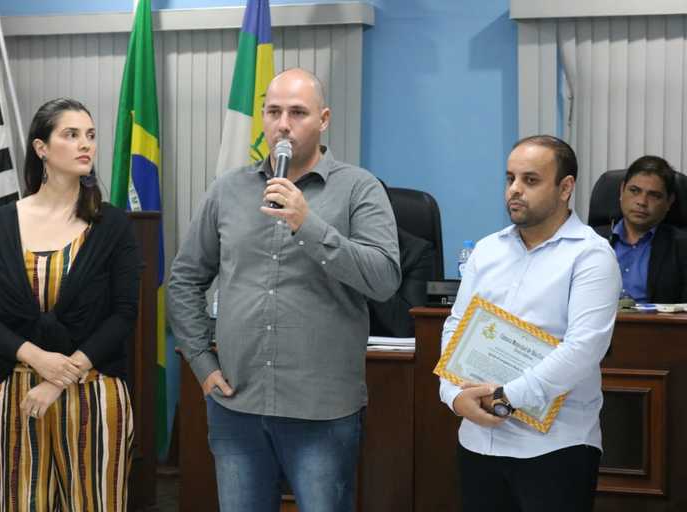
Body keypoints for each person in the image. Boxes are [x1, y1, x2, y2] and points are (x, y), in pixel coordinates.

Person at [168, 68, 400, 512]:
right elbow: (184, 278)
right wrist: (201, 361)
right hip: (237, 404)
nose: (283, 125)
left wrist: (306, 223)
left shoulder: (359, 188)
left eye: (297, 113)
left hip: (322, 411)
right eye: (273, 112)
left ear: (324, 119)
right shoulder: (228, 189)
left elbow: (384, 279)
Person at [0, 98, 142, 511]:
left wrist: (59, 376)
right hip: (20, 395)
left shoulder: (112, 224)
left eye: (90, 135)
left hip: (93, 391)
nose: (86, 144)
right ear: (41, 148)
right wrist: (37, 359)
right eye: (71, 134)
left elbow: (123, 316)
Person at [439, 135, 621, 512]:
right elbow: (456, 326)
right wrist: (453, 395)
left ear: (565, 188)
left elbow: (584, 349)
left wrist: (506, 399)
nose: (515, 190)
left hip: (556, 447)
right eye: (510, 179)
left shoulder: (591, 255)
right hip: (479, 441)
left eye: (530, 180)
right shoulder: (487, 250)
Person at [594, 155, 687, 303]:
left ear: (669, 201)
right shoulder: (590, 241)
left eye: (654, 195)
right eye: (634, 190)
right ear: (622, 190)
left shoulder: (682, 248)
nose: (642, 202)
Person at [368, 182, 437, 337]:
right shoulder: (329, 248)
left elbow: (409, 327)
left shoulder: (417, 252)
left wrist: (366, 268)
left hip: (385, 348)